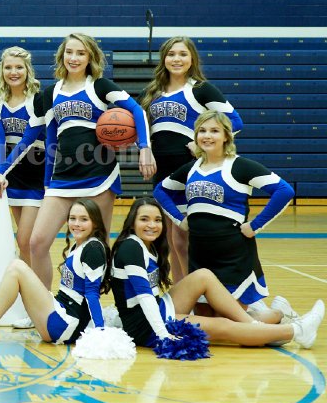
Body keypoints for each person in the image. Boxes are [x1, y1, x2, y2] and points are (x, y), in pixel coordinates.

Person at [29, 33, 156, 288]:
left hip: (99, 176)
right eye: (69, 52)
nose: (74, 58)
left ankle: (92, 301)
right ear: (61, 55)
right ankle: (42, 303)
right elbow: (51, 139)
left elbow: (137, 110)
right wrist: (47, 182)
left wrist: (144, 148)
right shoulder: (51, 93)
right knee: (37, 242)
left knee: (97, 245)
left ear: (90, 58)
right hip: (62, 179)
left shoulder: (100, 86)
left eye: (81, 53)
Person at [110, 197, 323, 348]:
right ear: (132, 222)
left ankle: (265, 321)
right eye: (144, 219)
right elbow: (145, 298)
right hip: (146, 326)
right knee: (223, 326)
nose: (152, 225)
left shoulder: (148, 246)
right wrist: (163, 334)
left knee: (203, 275)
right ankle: (297, 331)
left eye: (157, 220)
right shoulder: (131, 248)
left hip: (158, 308)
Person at [153, 110, 295, 323]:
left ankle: (280, 315)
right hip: (200, 255)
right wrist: (180, 219)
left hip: (233, 257)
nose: (207, 136)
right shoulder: (191, 169)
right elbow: (160, 190)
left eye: (214, 131)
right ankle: (268, 318)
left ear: (226, 136)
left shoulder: (240, 166)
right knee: (206, 322)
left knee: (231, 322)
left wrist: (255, 225)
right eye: (202, 131)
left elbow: (284, 191)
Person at [140, 36, 243, 282]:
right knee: (171, 239)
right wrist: (144, 150)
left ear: (192, 59)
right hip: (161, 170)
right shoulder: (153, 92)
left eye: (183, 54)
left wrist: (201, 144)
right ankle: (181, 292)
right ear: (163, 59)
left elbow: (235, 121)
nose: (176, 59)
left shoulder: (201, 89)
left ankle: (198, 291)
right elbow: (143, 129)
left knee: (183, 237)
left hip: (187, 168)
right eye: (171, 54)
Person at [0, 199, 110, 345]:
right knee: (17, 268)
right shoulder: (79, 245)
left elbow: (92, 294)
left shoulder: (93, 249)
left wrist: (100, 332)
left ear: (95, 222)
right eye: (72, 218)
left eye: (84, 219)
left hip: (66, 325)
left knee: (17, 267)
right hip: (59, 316)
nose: (76, 224)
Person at [0, 46, 45, 264]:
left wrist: (0, 172)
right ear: (1, 70)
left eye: (19, 67)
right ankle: (27, 281)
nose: (13, 72)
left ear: (28, 70)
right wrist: (0, 173)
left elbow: (27, 141)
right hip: (12, 173)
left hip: (35, 171)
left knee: (26, 239)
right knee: (25, 242)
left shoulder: (38, 99)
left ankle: (35, 281)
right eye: (8, 67)